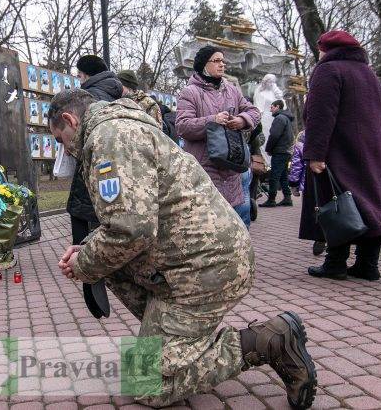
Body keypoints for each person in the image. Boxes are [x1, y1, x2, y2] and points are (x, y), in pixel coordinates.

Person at [50, 89, 317, 409]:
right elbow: (129, 222)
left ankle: (267, 342)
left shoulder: (110, 137)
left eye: (59, 138)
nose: (64, 148)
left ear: (70, 119)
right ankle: (183, 340)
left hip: (205, 267)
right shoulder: (121, 128)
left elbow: (130, 230)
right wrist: (87, 250)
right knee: (109, 264)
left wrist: (84, 264)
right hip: (193, 262)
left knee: (147, 385)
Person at [301, 30, 381, 281]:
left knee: (334, 200)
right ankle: (367, 264)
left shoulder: (329, 70)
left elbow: (320, 116)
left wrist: (315, 153)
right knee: (369, 201)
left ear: (327, 48)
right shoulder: (368, 74)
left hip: (338, 149)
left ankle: (335, 262)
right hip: (371, 148)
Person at [176, 46, 261, 223]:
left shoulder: (231, 90)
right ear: (203, 65)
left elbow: (253, 111)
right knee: (210, 223)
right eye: (216, 61)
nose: (222, 64)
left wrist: (243, 120)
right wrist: (212, 120)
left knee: (238, 221)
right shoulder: (190, 92)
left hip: (232, 166)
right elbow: (182, 126)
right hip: (205, 167)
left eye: (223, 61)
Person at [68, 54, 123, 246]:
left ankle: (87, 269)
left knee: (86, 231)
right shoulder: (119, 94)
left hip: (93, 169)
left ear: (83, 75)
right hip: (118, 168)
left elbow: (80, 139)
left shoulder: (88, 98)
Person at [259, 100, 295, 207]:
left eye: (272, 107)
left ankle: (271, 199)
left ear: (277, 107)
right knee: (283, 175)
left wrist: (269, 148)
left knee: (274, 176)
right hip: (286, 151)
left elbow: (274, 135)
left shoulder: (279, 118)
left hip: (280, 151)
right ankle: (287, 198)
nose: (270, 110)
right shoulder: (286, 118)